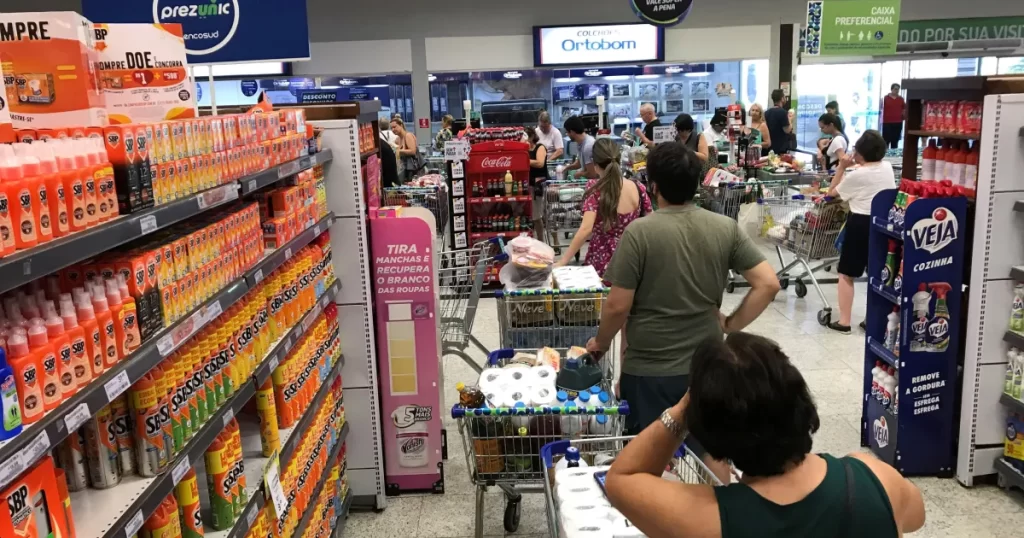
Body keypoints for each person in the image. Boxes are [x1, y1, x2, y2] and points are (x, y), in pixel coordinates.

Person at [603, 332, 926, 538]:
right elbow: (916, 518)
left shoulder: (711, 520)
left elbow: (621, 478)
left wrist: (686, 406)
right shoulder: (875, 479)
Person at [584, 141, 780, 450]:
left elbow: (618, 305)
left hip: (650, 371)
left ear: (654, 186)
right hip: (709, 365)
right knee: (710, 453)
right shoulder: (725, 228)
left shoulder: (639, 233)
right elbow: (768, 284)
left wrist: (601, 342)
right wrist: (730, 324)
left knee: (650, 456)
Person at [826, 130, 896, 333]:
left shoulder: (857, 175)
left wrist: (841, 167)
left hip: (860, 223)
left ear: (860, 153)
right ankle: (871, 320)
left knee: (847, 273)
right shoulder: (887, 167)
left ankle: (844, 322)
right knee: (876, 272)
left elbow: (831, 194)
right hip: (882, 224)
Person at [556, 138, 651, 275]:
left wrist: (563, 261)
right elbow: (650, 222)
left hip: (602, 261)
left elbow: (585, 229)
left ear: (595, 164)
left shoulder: (595, 189)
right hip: (632, 258)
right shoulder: (638, 187)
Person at [525, 127, 550, 239]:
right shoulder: (524, 150)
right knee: (530, 215)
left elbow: (540, 163)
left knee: (536, 215)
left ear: (531, 137)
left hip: (538, 184)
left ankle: (541, 241)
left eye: (525, 137)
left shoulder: (540, 147)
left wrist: (523, 160)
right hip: (527, 183)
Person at [562, 116, 597, 180]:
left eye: (567, 132)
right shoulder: (580, 143)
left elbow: (593, 174)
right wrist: (566, 168)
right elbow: (578, 164)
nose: (567, 135)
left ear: (572, 132)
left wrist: (580, 174)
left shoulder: (588, 146)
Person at [391, 118, 422, 182]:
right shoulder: (397, 139)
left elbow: (413, 151)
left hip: (413, 170)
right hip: (405, 169)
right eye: (391, 128)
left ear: (401, 125)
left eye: (394, 127)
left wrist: (397, 151)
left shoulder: (408, 136)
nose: (393, 129)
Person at [765, 89, 792, 155]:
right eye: (784, 97)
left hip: (769, 148)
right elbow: (787, 130)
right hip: (781, 148)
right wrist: (790, 119)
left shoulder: (766, 113)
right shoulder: (783, 112)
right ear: (782, 99)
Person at [882, 83, 906, 149]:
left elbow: (904, 108)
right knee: (886, 140)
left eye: (898, 89)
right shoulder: (885, 98)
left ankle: (894, 154)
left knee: (895, 141)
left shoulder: (901, 99)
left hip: (898, 122)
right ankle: (886, 153)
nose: (897, 91)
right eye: (895, 89)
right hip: (887, 122)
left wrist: (903, 115)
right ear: (891, 89)